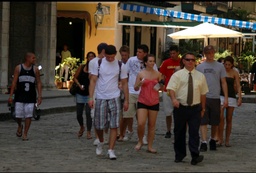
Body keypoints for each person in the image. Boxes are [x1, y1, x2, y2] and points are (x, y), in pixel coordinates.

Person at [167, 52, 208, 165]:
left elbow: (203, 93)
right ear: (184, 61)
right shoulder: (177, 75)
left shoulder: (200, 76)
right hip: (181, 107)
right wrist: (174, 99)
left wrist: (203, 108)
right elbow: (171, 89)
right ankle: (179, 155)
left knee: (194, 132)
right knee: (179, 131)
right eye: (188, 59)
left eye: (193, 60)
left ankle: (195, 155)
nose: (191, 62)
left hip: (195, 108)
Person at [88, 45, 129, 160]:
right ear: (104, 54)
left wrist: (126, 100)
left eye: (112, 57)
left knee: (114, 124)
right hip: (101, 96)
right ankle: (101, 141)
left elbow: (125, 83)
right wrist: (91, 98)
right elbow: (93, 81)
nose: (110, 59)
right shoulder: (98, 63)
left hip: (114, 96)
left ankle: (111, 150)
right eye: (108, 57)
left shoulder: (121, 65)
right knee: (99, 125)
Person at [124, 44, 158, 144]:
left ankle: (142, 136)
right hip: (131, 90)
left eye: (140, 52)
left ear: (145, 54)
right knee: (128, 114)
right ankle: (129, 131)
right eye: (137, 51)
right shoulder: (131, 60)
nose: (137, 53)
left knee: (141, 118)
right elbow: (125, 73)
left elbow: (156, 79)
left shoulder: (152, 64)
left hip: (145, 94)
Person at [196, 45, 228, 151]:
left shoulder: (220, 66)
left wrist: (226, 97)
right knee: (203, 120)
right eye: (208, 53)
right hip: (203, 96)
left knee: (215, 121)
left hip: (215, 96)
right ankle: (204, 141)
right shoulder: (200, 67)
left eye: (212, 52)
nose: (210, 54)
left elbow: (223, 82)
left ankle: (213, 139)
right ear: (205, 54)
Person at [8, 52, 42, 141]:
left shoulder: (35, 70)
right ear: (28, 58)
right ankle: (20, 125)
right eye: (33, 58)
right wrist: (11, 95)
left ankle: (25, 133)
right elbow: (14, 82)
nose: (35, 59)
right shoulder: (18, 68)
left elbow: (38, 82)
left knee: (28, 115)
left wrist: (39, 96)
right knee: (18, 115)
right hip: (20, 95)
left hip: (30, 96)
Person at [134, 54, 163, 153]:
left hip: (154, 101)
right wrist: (139, 84)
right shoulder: (141, 74)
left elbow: (162, 88)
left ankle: (150, 146)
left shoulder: (158, 74)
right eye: (150, 61)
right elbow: (135, 88)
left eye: (153, 61)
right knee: (141, 123)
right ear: (145, 62)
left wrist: (159, 85)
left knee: (152, 125)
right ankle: (140, 140)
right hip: (143, 100)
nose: (152, 63)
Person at [217, 56, 242, 147]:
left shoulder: (234, 72)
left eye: (229, 65)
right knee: (220, 118)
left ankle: (227, 139)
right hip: (221, 95)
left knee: (229, 118)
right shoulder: (221, 71)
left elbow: (238, 85)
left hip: (231, 96)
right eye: (225, 64)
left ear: (232, 65)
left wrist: (239, 97)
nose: (227, 66)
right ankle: (220, 138)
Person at [88, 43, 109, 146]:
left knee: (106, 116)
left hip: (107, 92)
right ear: (103, 51)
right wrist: (91, 96)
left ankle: (105, 135)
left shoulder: (109, 61)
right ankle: (97, 136)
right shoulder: (93, 62)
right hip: (96, 92)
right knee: (95, 116)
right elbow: (91, 78)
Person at [159, 45, 181, 139]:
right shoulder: (166, 63)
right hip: (167, 90)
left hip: (179, 91)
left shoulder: (182, 62)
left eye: (174, 53)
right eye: (170, 53)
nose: (172, 55)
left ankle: (178, 130)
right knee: (168, 112)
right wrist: (161, 84)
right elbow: (161, 75)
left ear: (178, 53)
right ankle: (168, 130)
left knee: (179, 113)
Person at [73, 55, 92, 139]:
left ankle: (89, 132)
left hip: (89, 94)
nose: (91, 58)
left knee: (88, 113)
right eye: (90, 57)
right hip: (80, 93)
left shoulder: (95, 69)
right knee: (79, 114)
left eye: (93, 57)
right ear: (87, 58)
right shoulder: (82, 67)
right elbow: (75, 78)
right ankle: (81, 126)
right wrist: (79, 85)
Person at [117, 45, 131, 142]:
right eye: (122, 55)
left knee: (128, 114)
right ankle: (121, 132)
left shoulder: (131, 63)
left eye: (125, 55)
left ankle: (128, 131)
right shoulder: (119, 64)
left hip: (130, 89)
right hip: (120, 91)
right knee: (121, 114)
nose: (123, 57)